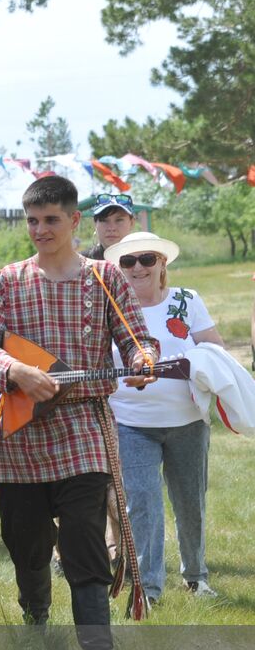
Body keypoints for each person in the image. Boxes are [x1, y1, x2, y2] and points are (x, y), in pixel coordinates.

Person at [0, 176, 157, 650]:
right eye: (33, 220)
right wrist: (17, 371)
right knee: (24, 541)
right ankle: (36, 617)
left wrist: (142, 359)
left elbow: (138, 339)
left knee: (84, 539)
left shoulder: (104, 277)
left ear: (74, 221)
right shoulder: (8, 280)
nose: (40, 229)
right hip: (21, 431)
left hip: (82, 428)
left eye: (51, 219)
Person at [105, 231, 224, 601]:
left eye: (146, 259)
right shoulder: (111, 308)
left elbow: (215, 350)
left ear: (162, 264)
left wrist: (190, 364)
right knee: (142, 503)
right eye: (128, 261)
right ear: (120, 268)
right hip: (131, 422)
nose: (137, 267)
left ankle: (195, 576)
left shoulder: (187, 301)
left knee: (191, 502)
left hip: (187, 421)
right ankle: (149, 588)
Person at [81, 193, 136, 260]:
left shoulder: (146, 260)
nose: (111, 228)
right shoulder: (80, 263)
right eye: (104, 220)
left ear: (132, 223)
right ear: (95, 223)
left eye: (119, 220)